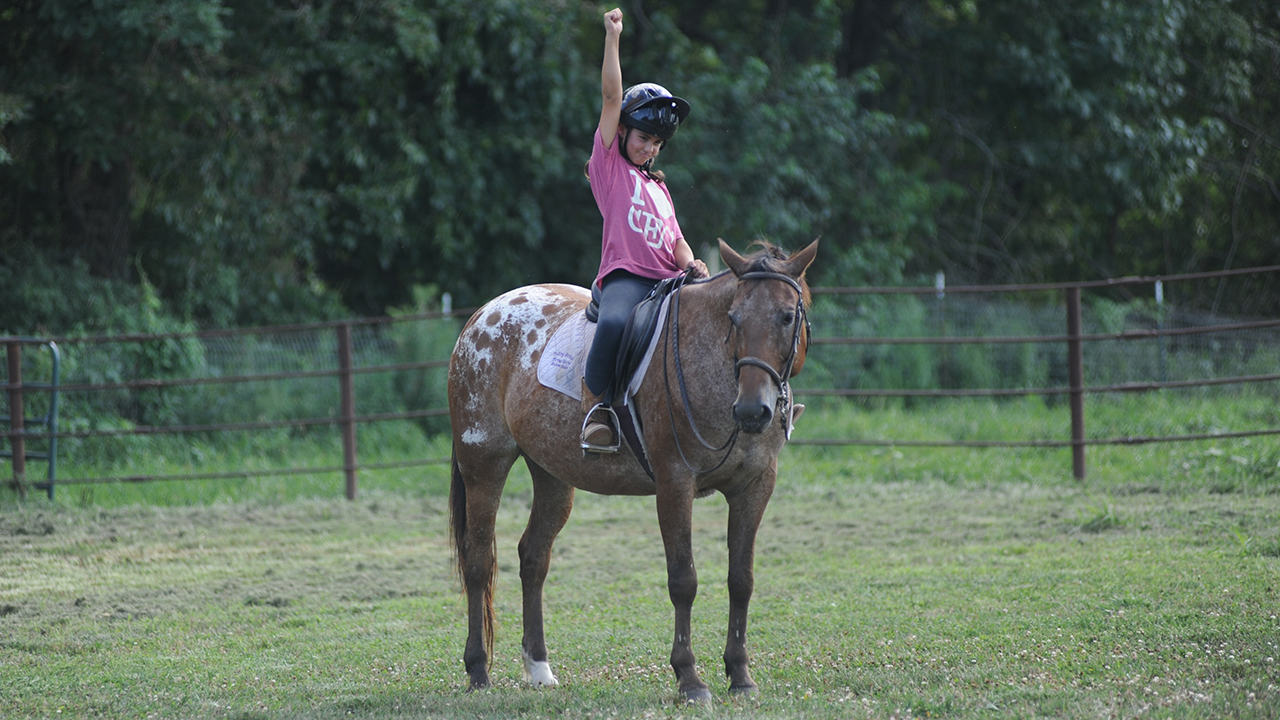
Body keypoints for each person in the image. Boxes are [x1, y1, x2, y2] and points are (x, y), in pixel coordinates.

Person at [582, 7, 708, 452]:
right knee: (615, 320)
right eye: (643, 138)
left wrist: (691, 263)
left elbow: (675, 239)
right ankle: (596, 406)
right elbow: (612, 98)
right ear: (622, 135)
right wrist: (613, 37)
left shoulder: (658, 189)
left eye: (656, 143)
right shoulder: (609, 166)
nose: (649, 148)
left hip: (669, 281)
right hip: (627, 278)